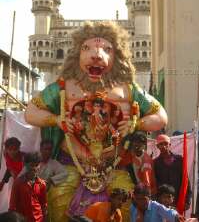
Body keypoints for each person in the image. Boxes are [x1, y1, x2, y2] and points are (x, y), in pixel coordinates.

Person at [24, 22, 167, 221]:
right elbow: (30, 112)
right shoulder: (64, 87)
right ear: (76, 53)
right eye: (87, 48)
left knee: (126, 207)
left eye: (106, 49)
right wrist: (56, 119)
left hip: (114, 165)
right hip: (73, 164)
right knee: (58, 201)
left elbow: (160, 115)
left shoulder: (128, 89)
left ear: (117, 55)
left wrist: (136, 124)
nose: (97, 55)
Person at [153, 134, 192, 209]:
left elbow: (185, 179)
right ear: (157, 146)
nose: (164, 146)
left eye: (165, 144)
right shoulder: (155, 163)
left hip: (178, 200)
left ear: (169, 145)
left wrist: (187, 200)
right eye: (161, 144)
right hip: (163, 202)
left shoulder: (179, 160)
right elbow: (155, 183)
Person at [9, 152, 47, 222]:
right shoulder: (18, 183)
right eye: (31, 165)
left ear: (40, 166)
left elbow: (43, 205)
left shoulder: (42, 184)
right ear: (25, 165)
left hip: (39, 220)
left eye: (36, 165)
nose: (34, 168)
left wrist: (45, 219)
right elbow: (12, 206)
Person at [119, 131, 156, 195]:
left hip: (145, 192)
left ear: (144, 145)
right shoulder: (132, 155)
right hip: (136, 188)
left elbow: (147, 182)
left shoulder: (146, 160)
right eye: (135, 141)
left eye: (140, 142)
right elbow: (121, 163)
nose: (137, 144)